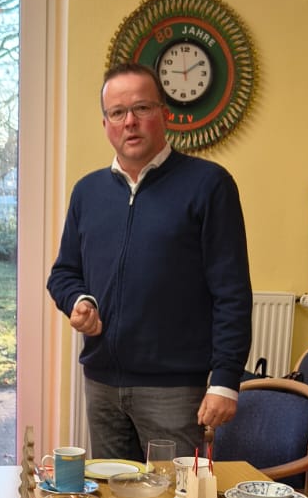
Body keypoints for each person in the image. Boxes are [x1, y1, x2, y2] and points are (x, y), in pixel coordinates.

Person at [46, 63, 252, 462]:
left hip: (175, 391)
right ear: (105, 124)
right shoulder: (87, 192)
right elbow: (64, 273)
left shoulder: (209, 185)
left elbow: (232, 292)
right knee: (111, 497)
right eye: (117, 112)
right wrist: (78, 300)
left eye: (141, 108)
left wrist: (225, 380)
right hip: (102, 385)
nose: (130, 121)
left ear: (164, 114)